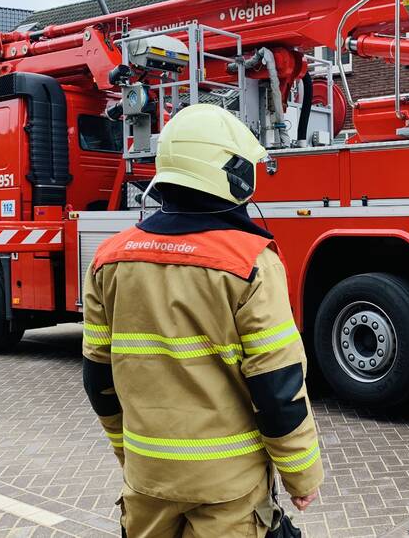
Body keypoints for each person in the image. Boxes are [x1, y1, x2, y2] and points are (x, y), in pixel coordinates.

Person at [82, 104, 323, 536]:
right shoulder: (249, 264)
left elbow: (98, 378)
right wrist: (301, 474)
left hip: (147, 481)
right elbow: (279, 388)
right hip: (226, 488)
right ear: (231, 174)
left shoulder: (108, 260)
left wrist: (130, 453)